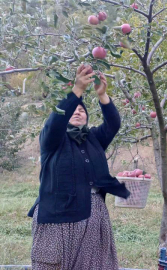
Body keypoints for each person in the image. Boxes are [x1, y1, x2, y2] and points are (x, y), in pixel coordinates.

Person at [27, 64, 130, 270]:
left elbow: (113, 124)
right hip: (58, 216)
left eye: (82, 110)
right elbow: (55, 122)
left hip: (93, 214)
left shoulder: (94, 139)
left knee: (92, 265)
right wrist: (77, 91)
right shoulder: (52, 140)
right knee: (53, 264)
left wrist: (103, 96)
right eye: (73, 109)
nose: (78, 111)